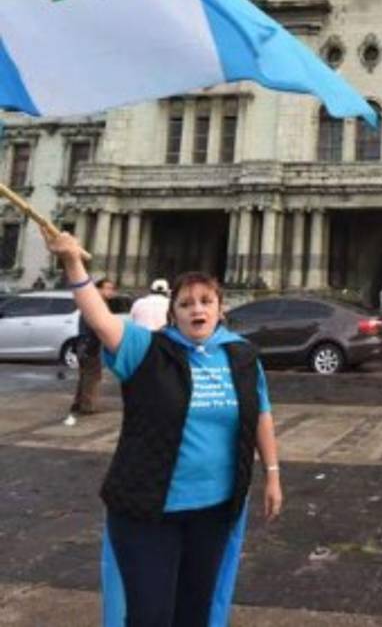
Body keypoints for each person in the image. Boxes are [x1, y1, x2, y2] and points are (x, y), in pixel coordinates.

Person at [42, 227, 283, 627]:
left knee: (194, 612)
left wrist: (272, 474)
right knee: (150, 614)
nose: (196, 309)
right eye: (186, 303)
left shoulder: (240, 356)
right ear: (174, 314)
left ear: (220, 309)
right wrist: (72, 263)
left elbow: (260, 414)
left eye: (206, 301)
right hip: (148, 510)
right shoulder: (149, 350)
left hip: (214, 510)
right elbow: (100, 319)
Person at [65, 276, 117, 425]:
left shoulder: (93, 303)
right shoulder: (96, 304)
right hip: (89, 343)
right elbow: (97, 326)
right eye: (108, 288)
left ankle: (78, 402)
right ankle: (88, 405)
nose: (111, 291)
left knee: (85, 375)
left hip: (85, 343)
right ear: (99, 289)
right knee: (93, 376)